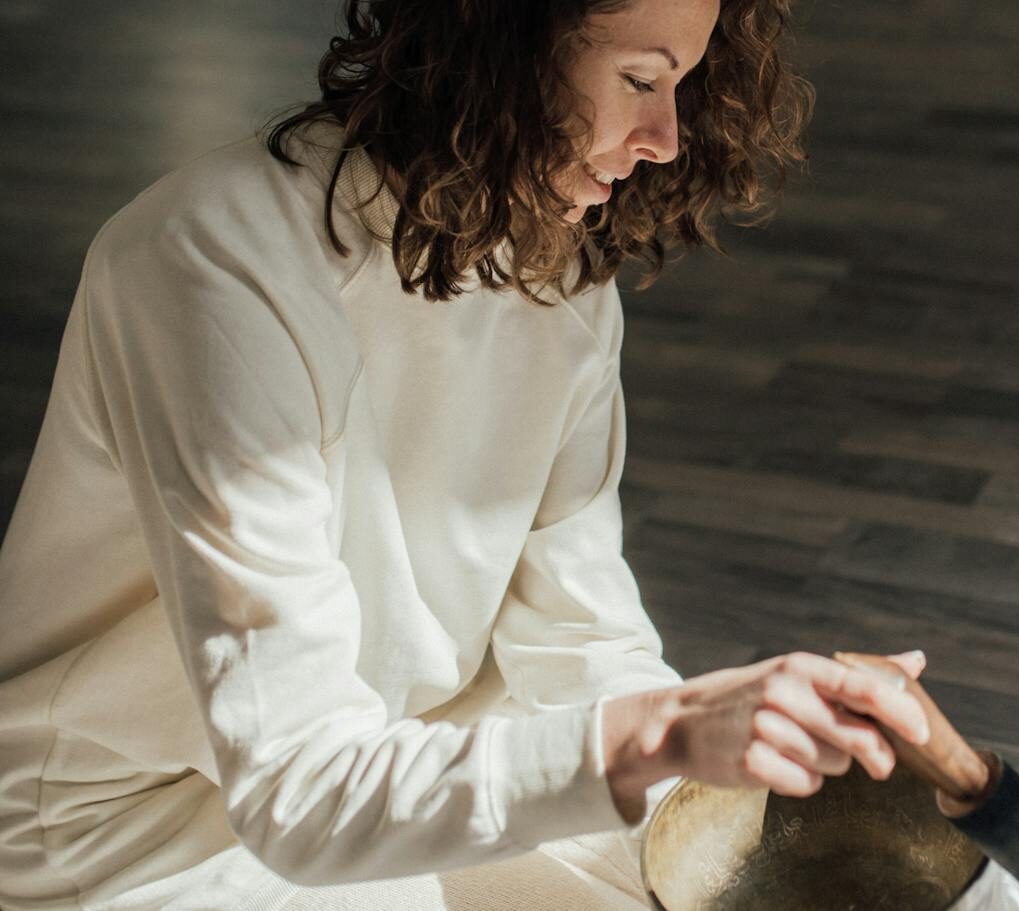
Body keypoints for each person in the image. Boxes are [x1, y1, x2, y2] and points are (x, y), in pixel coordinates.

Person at [0, 1, 935, 909]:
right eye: (640, 79)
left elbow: (583, 647)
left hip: (398, 766)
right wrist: (665, 734)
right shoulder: (211, 263)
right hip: (128, 837)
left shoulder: (557, 275)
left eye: (681, 85)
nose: (666, 136)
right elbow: (298, 790)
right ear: (502, 43)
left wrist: (754, 793)